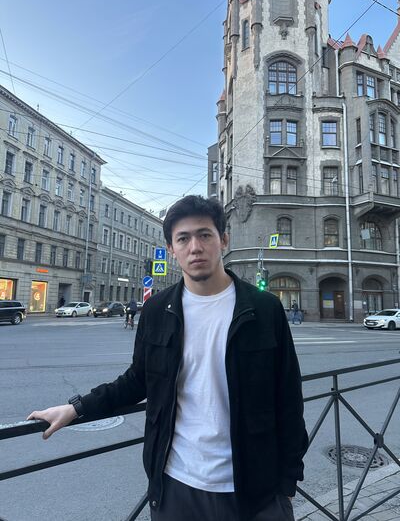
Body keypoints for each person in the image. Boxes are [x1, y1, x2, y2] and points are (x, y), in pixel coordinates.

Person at [27, 195, 308, 521]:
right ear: (171, 250)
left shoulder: (263, 308)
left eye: (205, 235)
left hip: (255, 489)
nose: (195, 247)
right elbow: (137, 379)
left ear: (223, 240)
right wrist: (76, 408)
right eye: (183, 239)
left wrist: (288, 480)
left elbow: (288, 397)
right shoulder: (157, 310)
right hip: (176, 486)